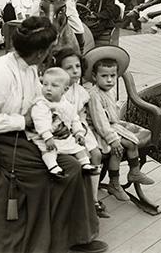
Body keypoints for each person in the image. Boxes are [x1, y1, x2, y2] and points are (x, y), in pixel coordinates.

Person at [0, 16, 107, 253]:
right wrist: (23, 120)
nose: (49, 53)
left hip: (26, 132)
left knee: (75, 167)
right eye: (48, 49)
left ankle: (74, 237)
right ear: (38, 52)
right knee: (44, 175)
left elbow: (39, 101)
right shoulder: (1, 71)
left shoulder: (30, 68)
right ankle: (36, 243)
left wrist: (57, 122)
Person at [85, 46, 154, 202]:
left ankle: (134, 172)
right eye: (104, 76)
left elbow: (112, 115)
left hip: (110, 127)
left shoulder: (107, 91)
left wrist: (118, 128)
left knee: (132, 142)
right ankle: (114, 183)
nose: (109, 80)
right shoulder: (93, 95)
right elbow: (100, 122)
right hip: (98, 131)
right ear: (95, 77)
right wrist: (113, 139)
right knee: (120, 147)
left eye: (112, 76)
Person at [53, 47, 108, 218]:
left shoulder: (81, 91)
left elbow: (81, 115)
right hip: (61, 129)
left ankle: (92, 198)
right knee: (81, 155)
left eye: (77, 66)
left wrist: (81, 131)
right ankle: (78, 198)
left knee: (96, 154)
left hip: (79, 126)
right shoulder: (55, 89)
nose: (75, 71)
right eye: (69, 68)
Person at [28, 67, 97, 178]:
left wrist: (78, 132)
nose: (48, 89)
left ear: (65, 90)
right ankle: (53, 167)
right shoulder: (41, 104)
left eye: (54, 86)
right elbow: (40, 121)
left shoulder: (66, 104)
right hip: (44, 136)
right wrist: (47, 136)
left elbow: (74, 118)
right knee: (48, 150)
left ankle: (85, 163)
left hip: (63, 135)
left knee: (78, 147)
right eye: (45, 85)